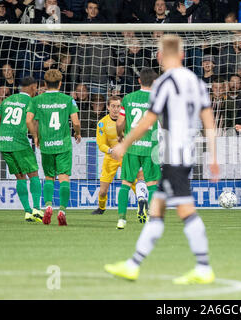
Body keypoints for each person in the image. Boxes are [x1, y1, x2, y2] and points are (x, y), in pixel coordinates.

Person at [105, 34, 219, 285]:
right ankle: (133, 264)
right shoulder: (196, 82)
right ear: (182, 55)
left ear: (160, 56)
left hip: (173, 155)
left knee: (185, 210)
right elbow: (208, 119)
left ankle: (203, 266)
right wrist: (213, 155)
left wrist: (124, 144)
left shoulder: (165, 83)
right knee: (156, 209)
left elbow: (147, 121)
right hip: (184, 153)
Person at [26, 69, 81, 226]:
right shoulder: (68, 99)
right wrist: (77, 133)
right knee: (64, 176)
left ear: (44, 83)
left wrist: (36, 136)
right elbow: (76, 122)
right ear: (60, 83)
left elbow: (29, 120)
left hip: (46, 145)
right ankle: (62, 210)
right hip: (63, 144)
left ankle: (48, 205)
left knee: (49, 177)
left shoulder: (37, 100)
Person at [0, 77, 43, 222]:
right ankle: (37, 210)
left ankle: (27, 211)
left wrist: (4, 135)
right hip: (19, 142)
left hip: (4, 142)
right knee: (33, 174)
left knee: (20, 176)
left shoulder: (7, 100)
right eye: (36, 88)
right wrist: (36, 137)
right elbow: (33, 122)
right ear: (33, 87)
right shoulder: (32, 102)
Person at [114, 68, 160, 230]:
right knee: (152, 183)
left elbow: (120, 123)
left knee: (126, 182)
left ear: (139, 81)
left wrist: (120, 136)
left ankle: (121, 219)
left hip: (131, 146)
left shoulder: (127, 98)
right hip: (150, 147)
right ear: (155, 82)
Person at [90, 96, 123, 216]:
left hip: (126, 157)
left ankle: (146, 207)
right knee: (103, 191)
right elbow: (101, 144)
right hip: (111, 157)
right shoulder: (102, 123)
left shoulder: (127, 121)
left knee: (135, 184)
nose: (115, 109)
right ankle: (101, 207)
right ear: (108, 107)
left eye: (118, 106)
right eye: (113, 106)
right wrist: (110, 150)